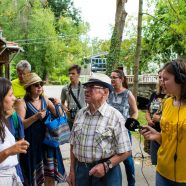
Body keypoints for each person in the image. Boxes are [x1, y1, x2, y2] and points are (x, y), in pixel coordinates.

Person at [68, 74, 132, 186]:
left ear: (105, 92)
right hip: (81, 172)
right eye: (86, 87)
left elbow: (126, 151)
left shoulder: (115, 117)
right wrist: (72, 171)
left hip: (107, 173)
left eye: (92, 87)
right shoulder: (80, 114)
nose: (86, 90)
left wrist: (106, 165)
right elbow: (73, 144)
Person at [15, 73, 67, 186]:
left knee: (49, 176)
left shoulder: (46, 99)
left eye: (41, 84)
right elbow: (21, 126)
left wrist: (58, 105)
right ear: (29, 88)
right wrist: (35, 117)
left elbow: (59, 116)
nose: (39, 87)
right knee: (32, 178)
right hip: (32, 144)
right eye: (36, 85)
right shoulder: (22, 103)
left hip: (47, 142)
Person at [141, 60, 186, 186]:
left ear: (181, 79)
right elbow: (168, 138)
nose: (161, 82)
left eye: (166, 79)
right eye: (161, 78)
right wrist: (156, 135)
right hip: (162, 172)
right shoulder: (166, 103)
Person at [108, 69, 138, 186]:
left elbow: (135, 112)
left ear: (121, 79)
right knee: (110, 159)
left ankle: (132, 183)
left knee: (128, 161)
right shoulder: (108, 92)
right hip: (109, 133)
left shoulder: (128, 94)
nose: (112, 79)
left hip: (124, 132)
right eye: (111, 77)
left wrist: (130, 122)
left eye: (115, 77)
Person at [0, 77, 29, 185]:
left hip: (11, 175)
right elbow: (7, 151)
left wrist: (16, 145)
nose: (14, 98)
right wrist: (10, 150)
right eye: (10, 95)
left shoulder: (3, 120)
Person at [145, 69, 166, 165]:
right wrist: (149, 120)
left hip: (165, 134)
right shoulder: (155, 94)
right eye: (159, 77)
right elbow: (147, 110)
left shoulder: (172, 97)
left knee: (165, 162)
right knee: (155, 162)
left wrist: (160, 118)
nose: (161, 79)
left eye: (164, 77)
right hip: (154, 132)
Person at [61, 64, 86, 130]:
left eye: (73, 73)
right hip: (70, 119)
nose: (70, 75)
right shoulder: (65, 89)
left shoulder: (85, 88)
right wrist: (66, 110)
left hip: (82, 119)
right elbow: (62, 103)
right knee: (71, 139)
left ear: (78, 74)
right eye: (69, 74)